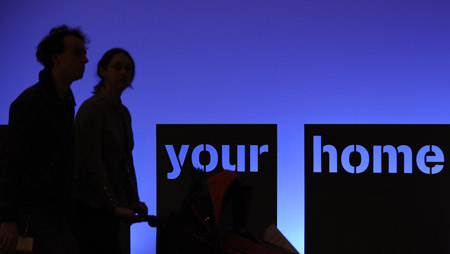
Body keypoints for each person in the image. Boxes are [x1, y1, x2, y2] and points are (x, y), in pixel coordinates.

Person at [0, 25, 88, 254]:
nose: (85, 59)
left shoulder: (66, 102)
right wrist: (7, 218)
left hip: (54, 214)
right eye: (77, 53)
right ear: (56, 58)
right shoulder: (31, 103)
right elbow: (11, 161)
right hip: (33, 213)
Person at [70, 48, 147, 254]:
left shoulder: (123, 113)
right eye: (117, 67)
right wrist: (114, 205)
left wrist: (133, 200)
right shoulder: (92, 108)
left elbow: (126, 162)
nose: (123, 72)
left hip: (109, 208)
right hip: (88, 207)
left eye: (128, 69)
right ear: (102, 71)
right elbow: (90, 162)